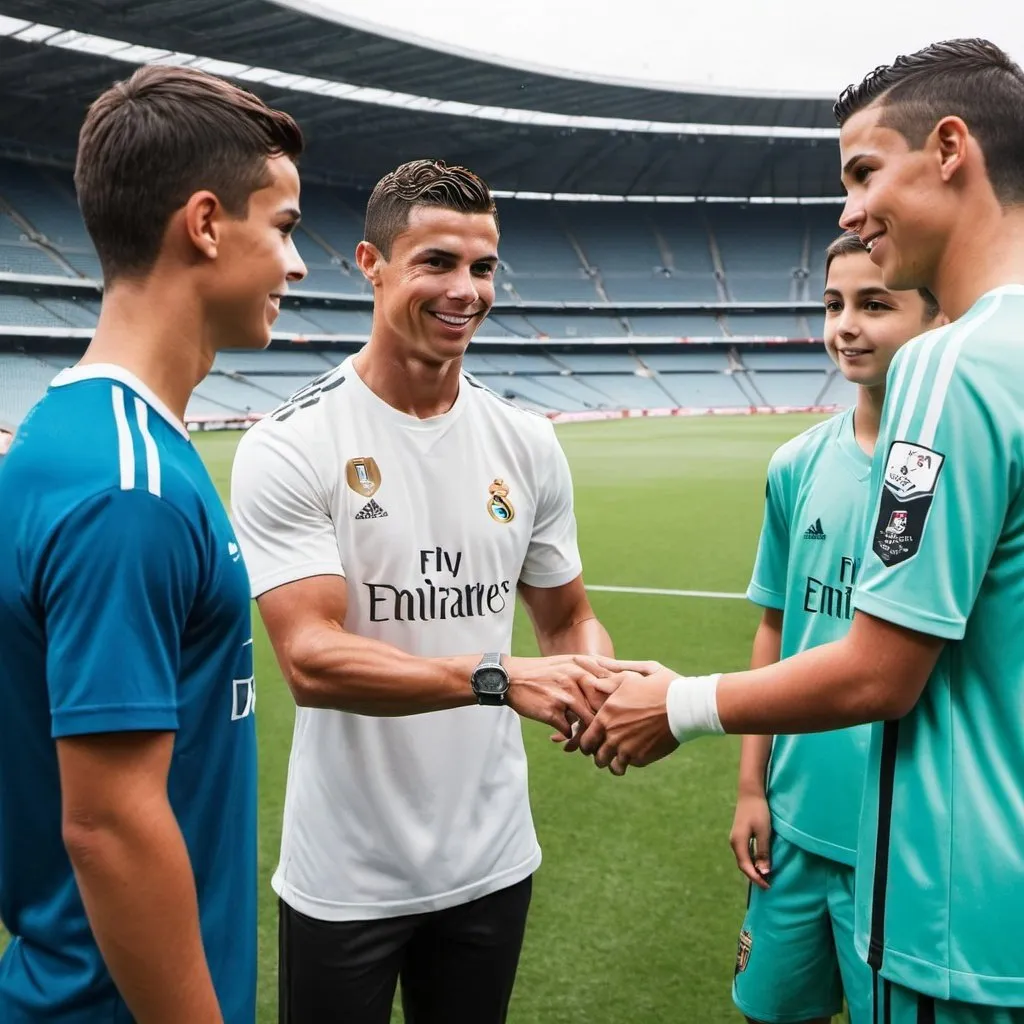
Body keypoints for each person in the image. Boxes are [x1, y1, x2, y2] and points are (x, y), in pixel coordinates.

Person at [576, 37, 1024, 1024]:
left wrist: (678, 704)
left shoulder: (952, 368)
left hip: (957, 920)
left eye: (863, 172)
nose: (848, 210)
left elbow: (879, 672)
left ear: (950, 148)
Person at [230, 158, 617, 1024]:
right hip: (347, 874)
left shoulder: (526, 443)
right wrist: (496, 675)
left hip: (491, 861)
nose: (466, 291)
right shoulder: (291, 444)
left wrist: (595, 681)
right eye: (436, 262)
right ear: (371, 263)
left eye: (483, 267)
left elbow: (569, 617)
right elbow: (312, 660)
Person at [0, 65, 306, 1022]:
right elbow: (109, 823)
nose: (299, 266)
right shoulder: (125, 487)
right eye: (286, 226)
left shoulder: (88, 446)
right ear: (207, 223)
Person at [730, 233, 944, 1024]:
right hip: (791, 823)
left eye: (875, 305)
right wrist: (752, 785)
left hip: (899, 843)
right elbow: (774, 628)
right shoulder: (796, 464)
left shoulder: (953, 470)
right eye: (834, 304)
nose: (846, 325)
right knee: (771, 1013)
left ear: (936, 318)